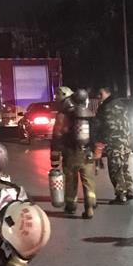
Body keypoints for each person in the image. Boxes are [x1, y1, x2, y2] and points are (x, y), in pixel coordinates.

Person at [50, 88, 97, 219]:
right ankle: (90, 206)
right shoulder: (88, 114)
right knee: (88, 181)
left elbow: (57, 136)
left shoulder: (62, 115)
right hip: (87, 152)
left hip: (70, 153)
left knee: (71, 180)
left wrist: (54, 157)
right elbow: (96, 134)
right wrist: (95, 152)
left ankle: (71, 205)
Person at [92, 87, 133, 204]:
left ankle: (121, 194)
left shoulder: (103, 108)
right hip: (127, 141)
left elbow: (98, 127)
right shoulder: (122, 105)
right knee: (124, 166)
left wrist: (97, 143)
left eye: (100, 93)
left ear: (107, 92)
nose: (98, 96)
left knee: (115, 168)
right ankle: (129, 189)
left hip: (114, 142)